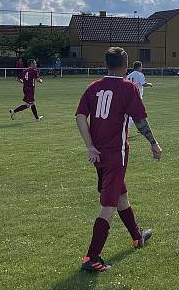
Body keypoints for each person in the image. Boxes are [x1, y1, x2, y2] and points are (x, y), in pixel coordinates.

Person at [75, 47, 162, 272]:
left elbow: (80, 116)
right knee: (108, 205)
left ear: (106, 64)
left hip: (99, 155)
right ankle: (91, 258)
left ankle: (136, 237)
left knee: (121, 195)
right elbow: (140, 121)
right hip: (116, 154)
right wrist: (153, 143)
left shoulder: (93, 87)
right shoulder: (128, 87)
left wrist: (90, 146)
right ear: (125, 65)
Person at [126, 61, 154, 127]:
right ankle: (138, 126)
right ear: (140, 67)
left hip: (129, 96)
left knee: (132, 112)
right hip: (137, 96)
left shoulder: (129, 75)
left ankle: (134, 125)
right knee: (139, 113)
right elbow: (143, 84)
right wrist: (149, 84)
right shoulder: (140, 74)